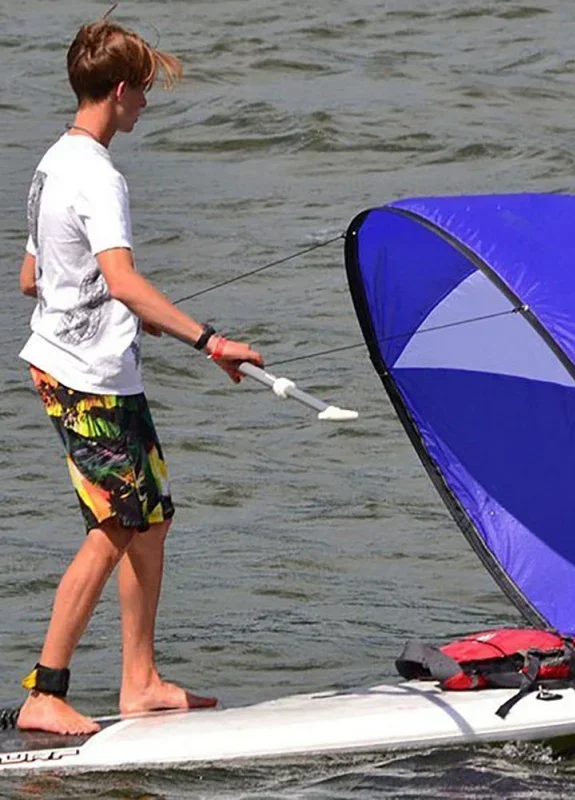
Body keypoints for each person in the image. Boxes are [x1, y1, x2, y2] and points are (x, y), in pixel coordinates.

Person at [16, 17, 263, 735]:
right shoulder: (98, 174)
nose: (145, 108)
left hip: (91, 366)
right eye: (143, 94)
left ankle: (140, 680)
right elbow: (120, 278)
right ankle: (45, 690)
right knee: (116, 523)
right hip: (84, 376)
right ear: (119, 91)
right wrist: (210, 340)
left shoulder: (53, 163)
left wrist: (122, 307)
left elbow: (34, 276)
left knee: (149, 518)